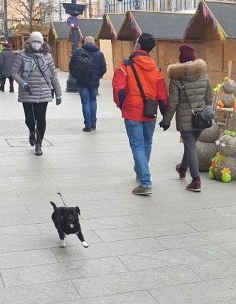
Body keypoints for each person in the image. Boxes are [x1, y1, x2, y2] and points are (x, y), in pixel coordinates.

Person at [113, 33, 168, 196]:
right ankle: (141, 172)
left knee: (137, 145)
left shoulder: (125, 65)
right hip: (150, 111)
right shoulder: (157, 69)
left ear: (137, 45)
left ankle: (145, 182)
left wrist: (123, 105)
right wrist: (165, 115)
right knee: (146, 144)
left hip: (133, 111)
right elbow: (162, 95)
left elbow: (119, 89)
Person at [159, 44, 211, 193]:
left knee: (190, 146)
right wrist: (209, 112)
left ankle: (195, 180)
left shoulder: (176, 78)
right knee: (191, 144)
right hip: (201, 118)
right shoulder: (204, 75)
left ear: (181, 60)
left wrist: (166, 120)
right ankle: (182, 168)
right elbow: (209, 98)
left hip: (185, 118)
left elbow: (173, 102)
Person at [12, 31, 62, 156]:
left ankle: (39, 144)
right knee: (29, 119)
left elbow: (53, 76)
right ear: (29, 42)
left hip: (43, 92)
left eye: (38, 42)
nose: (36, 44)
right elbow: (14, 72)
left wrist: (58, 93)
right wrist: (23, 83)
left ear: (42, 43)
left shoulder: (47, 56)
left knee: (41, 118)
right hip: (27, 92)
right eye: (34, 41)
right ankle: (31, 131)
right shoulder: (22, 55)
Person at [70, 36, 107, 132]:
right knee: (93, 100)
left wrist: (76, 76)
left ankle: (87, 125)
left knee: (85, 102)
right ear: (94, 42)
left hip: (82, 81)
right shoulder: (99, 54)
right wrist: (98, 76)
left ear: (84, 42)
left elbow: (71, 65)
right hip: (94, 82)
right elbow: (104, 68)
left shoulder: (78, 52)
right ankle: (94, 123)